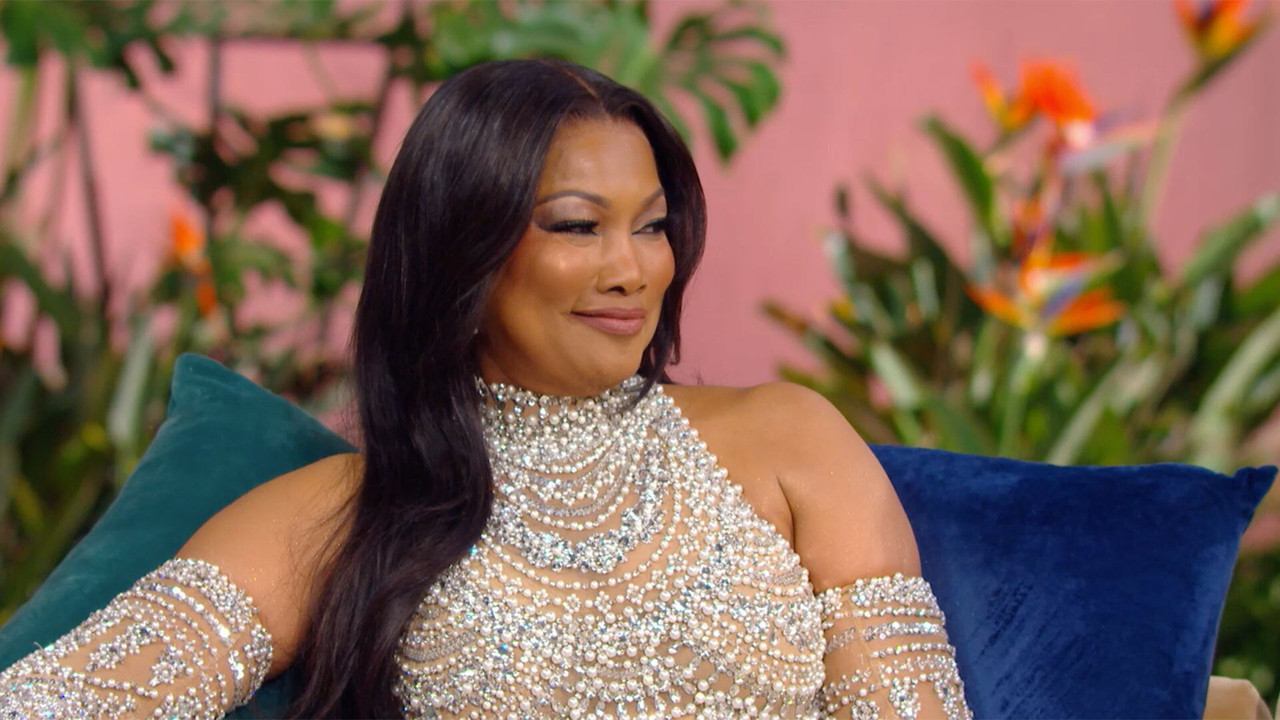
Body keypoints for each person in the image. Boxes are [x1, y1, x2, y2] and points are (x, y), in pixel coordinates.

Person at [0, 58, 971, 719]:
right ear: (462, 255)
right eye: (577, 226)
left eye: (651, 225)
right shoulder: (340, 515)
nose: (632, 271)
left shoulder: (792, 439)